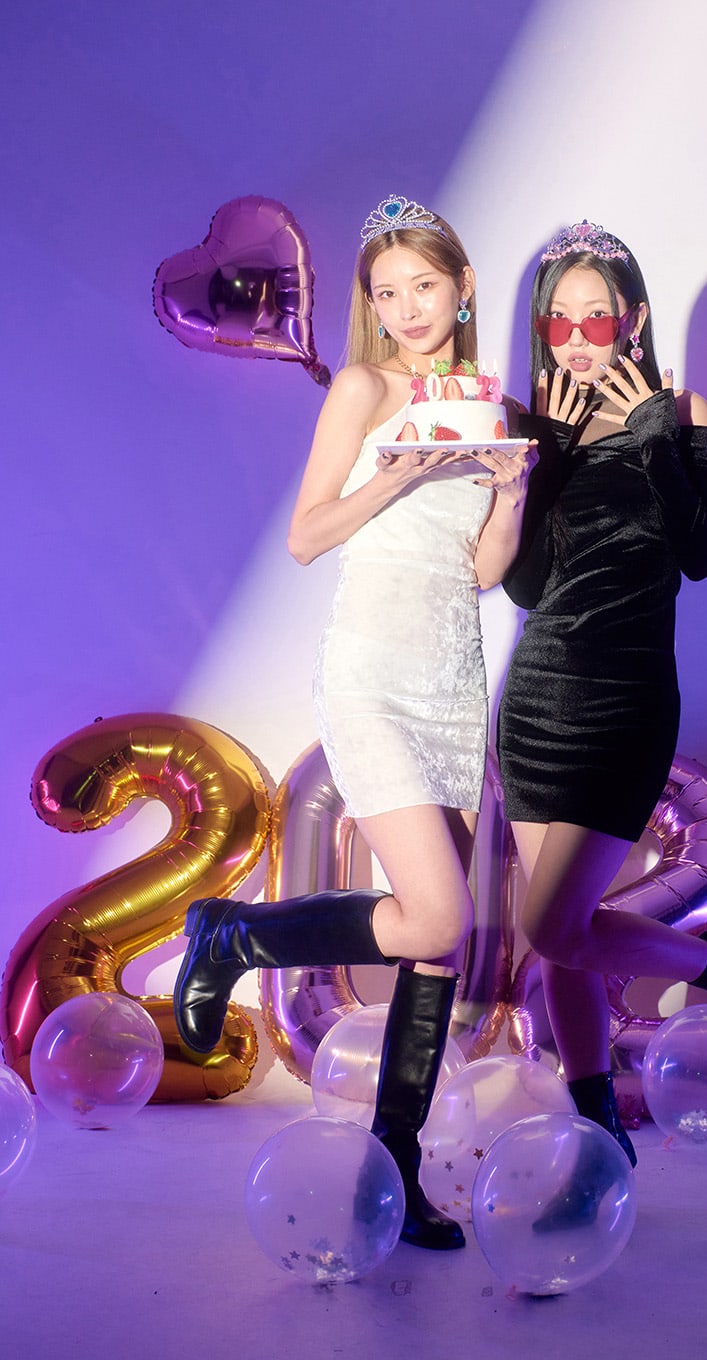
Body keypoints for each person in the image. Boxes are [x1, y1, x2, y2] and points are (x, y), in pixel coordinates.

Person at [173, 195, 536, 1250]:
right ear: (371, 307)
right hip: (372, 674)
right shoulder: (364, 389)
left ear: (462, 289)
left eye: (425, 285)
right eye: (387, 292)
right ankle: (237, 934)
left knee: (439, 951)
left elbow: (479, 571)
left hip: (452, 682)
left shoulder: (488, 402)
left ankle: (395, 1170)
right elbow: (304, 534)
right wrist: (398, 473)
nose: (408, 308)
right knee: (435, 916)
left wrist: (511, 491)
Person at [498, 221, 707, 1163]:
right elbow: (525, 587)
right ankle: (600, 1136)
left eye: (598, 317)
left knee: (551, 923)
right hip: (536, 700)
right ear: (542, 330)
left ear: (633, 319)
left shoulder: (683, 410)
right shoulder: (535, 421)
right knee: (562, 940)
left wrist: (658, 438)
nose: (580, 338)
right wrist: (540, 461)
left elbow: (698, 556)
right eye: (561, 322)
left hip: (625, 700)